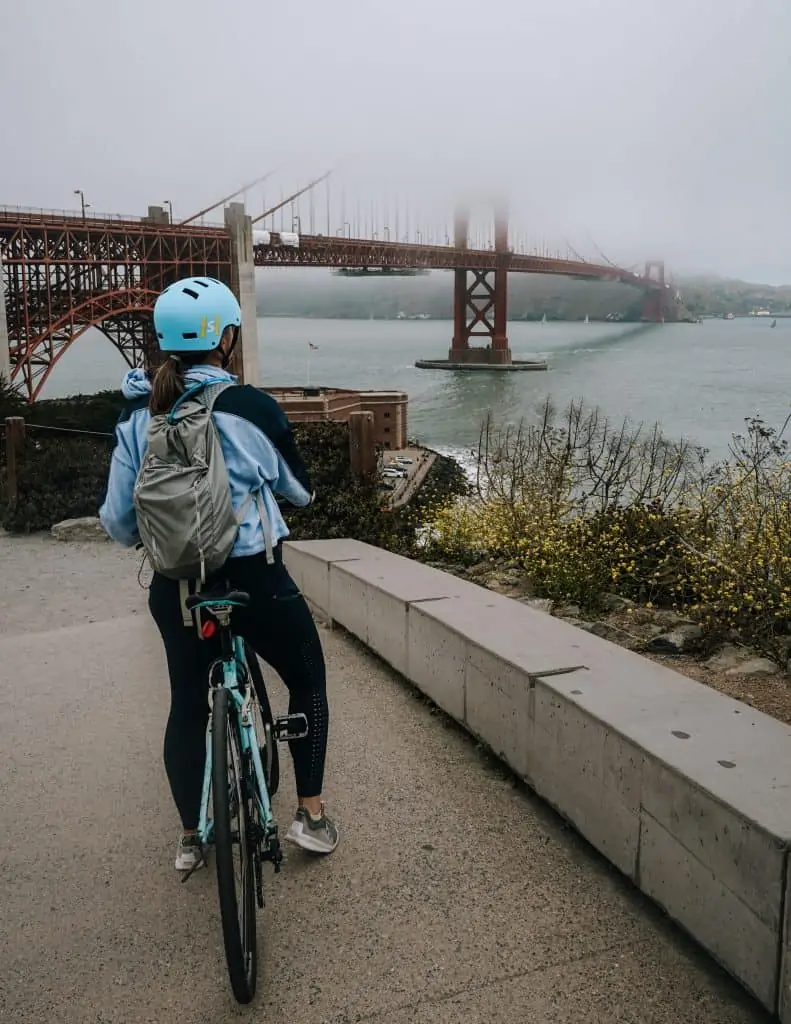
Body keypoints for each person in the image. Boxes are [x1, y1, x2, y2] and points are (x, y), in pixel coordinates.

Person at [99, 276, 339, 871]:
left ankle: (189, 837)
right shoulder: (251, 407)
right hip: (254, 581)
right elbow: (301, 492)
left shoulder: (137, 415)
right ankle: (310, 817)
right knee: (307, 677)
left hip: (176, 587)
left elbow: (119, 522)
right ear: (226, 339)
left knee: (187, 703)